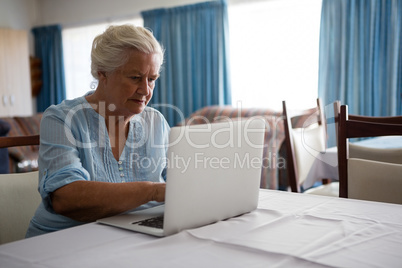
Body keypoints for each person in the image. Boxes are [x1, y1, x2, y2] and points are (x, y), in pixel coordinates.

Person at [26, 24, 169, 237]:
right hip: (65, 239)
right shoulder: (61, 118)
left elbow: (182, 181)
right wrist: (154, 191)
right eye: (135, 78)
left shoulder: (156, 121)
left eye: (152, 79)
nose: (146, 91)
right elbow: (66, 198)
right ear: (103, 73)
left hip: (131, 235)